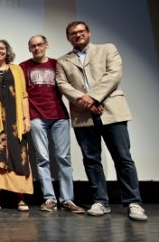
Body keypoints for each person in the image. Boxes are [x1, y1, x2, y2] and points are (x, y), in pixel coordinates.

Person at [56, 21, 147, 221]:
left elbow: (114, 75)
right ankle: (101, 201)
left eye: (81, 32)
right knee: (91, 160)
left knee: (123, 158)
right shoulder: (63, 61)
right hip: (83, 115)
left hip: (111, 110)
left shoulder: (107, 49)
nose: (77, 35)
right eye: (73, 33)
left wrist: (94, 97)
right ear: (68, 37)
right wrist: (87, 102)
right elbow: (63, 85)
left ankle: (133, 202)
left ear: (88, 33)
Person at [20, 35, 84, 213]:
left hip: (59, 116)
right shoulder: (23, 67)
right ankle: (49, 199)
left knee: (64, 159)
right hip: (36, 117)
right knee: (42, 159)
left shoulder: (58, 64)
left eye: (40, 44)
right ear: (29, 48)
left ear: (46, 45)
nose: (37, 48)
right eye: (33, 45)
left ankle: (67, 199)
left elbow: (68, 87)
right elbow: (22, 94)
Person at [0, 39, 32, 211]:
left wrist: (26, 118)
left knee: (18, 153)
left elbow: (24, 95)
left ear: (7, 51)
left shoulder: (17, 69)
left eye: (2, 48)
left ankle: (21, 197)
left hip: (15, 118)